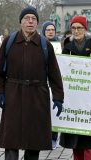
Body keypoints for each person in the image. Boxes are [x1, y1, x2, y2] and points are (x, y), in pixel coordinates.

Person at [0, 6, 64, 159]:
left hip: (37, 96)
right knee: (11, 141)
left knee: (34, 142)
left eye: (33, 19)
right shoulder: (9, 42)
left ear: (37, 23)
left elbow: (55, 75)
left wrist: (58, 97)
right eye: (27, 18)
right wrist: (0, 92)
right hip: (13, 95)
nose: (30, 22)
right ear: (21, 22)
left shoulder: (45, 45)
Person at [60, 15, 91, 160]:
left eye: (80, 28)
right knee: (76, 146)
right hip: (74, 104)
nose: (76, 31)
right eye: (73, 28)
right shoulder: (67, 48)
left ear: (86, 29)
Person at [41, 21, 60, 150]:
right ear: (44, 32)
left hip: (55, 82)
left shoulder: (60, 44)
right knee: (42, 112)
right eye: (48, 30)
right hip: (42, 82)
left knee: (55, 112)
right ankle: (42, 138)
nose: (50, 32)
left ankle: (53, 139)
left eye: (52, 29)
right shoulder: (39, 44)